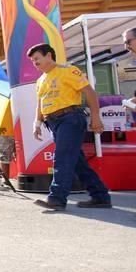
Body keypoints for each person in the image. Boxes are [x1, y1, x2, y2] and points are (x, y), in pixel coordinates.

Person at [27, 43, 111, 210]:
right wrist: (37, 123)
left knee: (62, 157)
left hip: (70, 118)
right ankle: (100, 196)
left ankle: (57, 198)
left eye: (37, 58)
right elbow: (40, 103)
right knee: (77, 162)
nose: (34, 63)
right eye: (32, 60)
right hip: (53, 123)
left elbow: (90, 92)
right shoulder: (40, 80)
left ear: (49, 55)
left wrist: (96, 117)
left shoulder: (68, 71)